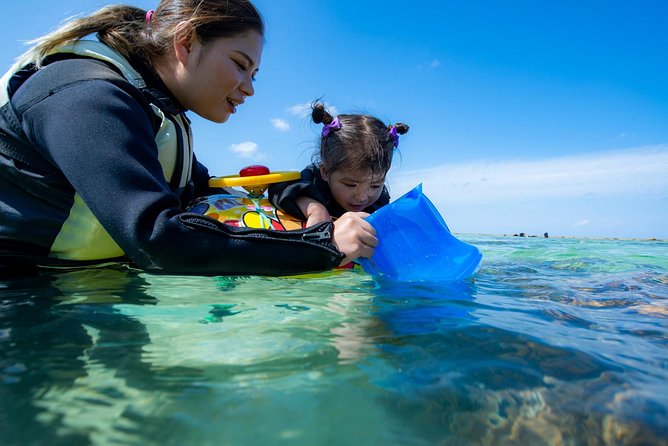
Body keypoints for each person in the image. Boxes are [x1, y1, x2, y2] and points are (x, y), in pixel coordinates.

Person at [0, 0, 377, 276]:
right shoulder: (87, 98)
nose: (249, 89)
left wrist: (307, 207)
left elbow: (200, 189)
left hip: (77, 283)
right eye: (240, 65)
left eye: (255, 74)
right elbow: (159, 240)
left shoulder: (153, 109)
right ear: (186, 43)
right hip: (20, 289)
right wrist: (322, 247)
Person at [269, 102, 409, 227]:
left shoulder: (379, 203)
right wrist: (315, 208)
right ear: (325, 172)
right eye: (350, 184)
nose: (362, 197)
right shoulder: (314, 180)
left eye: (375, 185)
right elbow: (279, 188)